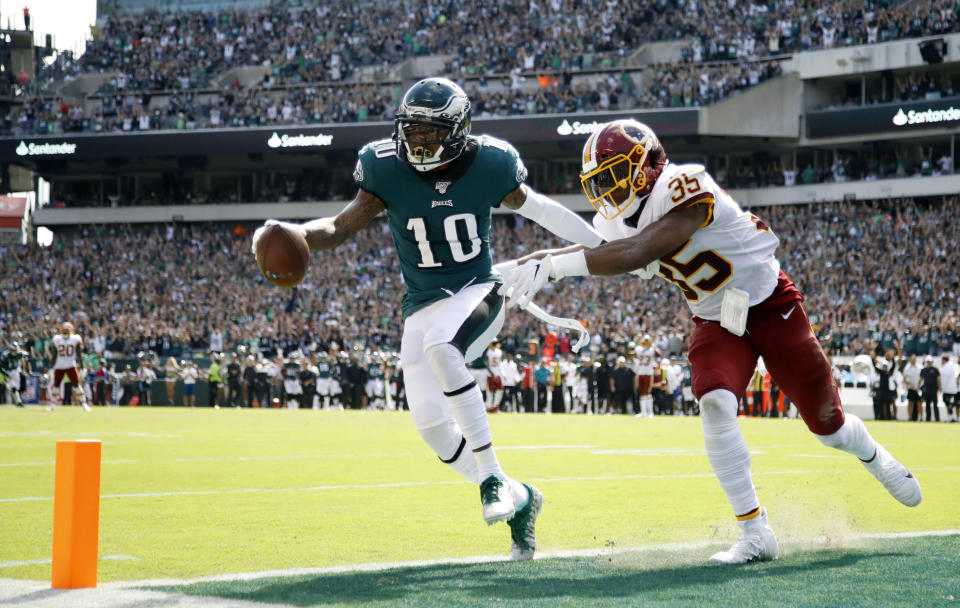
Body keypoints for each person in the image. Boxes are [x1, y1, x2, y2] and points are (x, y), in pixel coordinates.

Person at [500, 118, 922, 564]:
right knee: (715, 402)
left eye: (611, 175)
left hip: (770, 305)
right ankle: (755, 532)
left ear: (644, 165)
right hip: (715, 319)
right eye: (598, 181)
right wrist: (530, 253)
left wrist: (553, 267)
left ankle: (875, 457)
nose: (605, 190)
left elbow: (637, 252)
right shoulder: (619, 215)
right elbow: (596, 244)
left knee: (828, 427)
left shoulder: (684, 184)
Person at [252, 77, 603, 560]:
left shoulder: (490, 162)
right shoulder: (384, 168)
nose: (416, 140)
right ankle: (522, 499)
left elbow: (543, 211)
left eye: (428, 131)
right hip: (421, 305)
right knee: (433, 428)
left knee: (444, 347)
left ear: (458, 129)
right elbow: (337, 227)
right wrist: (297, 233)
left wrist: (607, 249)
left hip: (477, 290)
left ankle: (493, 481)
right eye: (410, 130)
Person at [48, 322, 90, 411]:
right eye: (64, 330)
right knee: (56, 385)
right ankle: (52, 405)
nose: (66, 332)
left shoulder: (75, 339)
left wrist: (82, 368)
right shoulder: (57, 339)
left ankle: (84, 404)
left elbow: (79, 354)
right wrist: (51, 367)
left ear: (71, 331)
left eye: (67, 330)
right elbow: (55, 354)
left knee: (76, 385)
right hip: (59, 365)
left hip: (70, 365)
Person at [919, 356, 940, 422]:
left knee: (935, 404)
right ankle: (928, 418)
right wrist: (918, 387)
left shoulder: (935, 369)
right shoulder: (923, 370)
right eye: (927, 361)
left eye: (929, 361)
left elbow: (938, 379)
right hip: (926, 389)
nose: (928, 363)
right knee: (927, 404)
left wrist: (939, 388)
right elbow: (920, 379)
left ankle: (937, 418)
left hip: (934, 389)